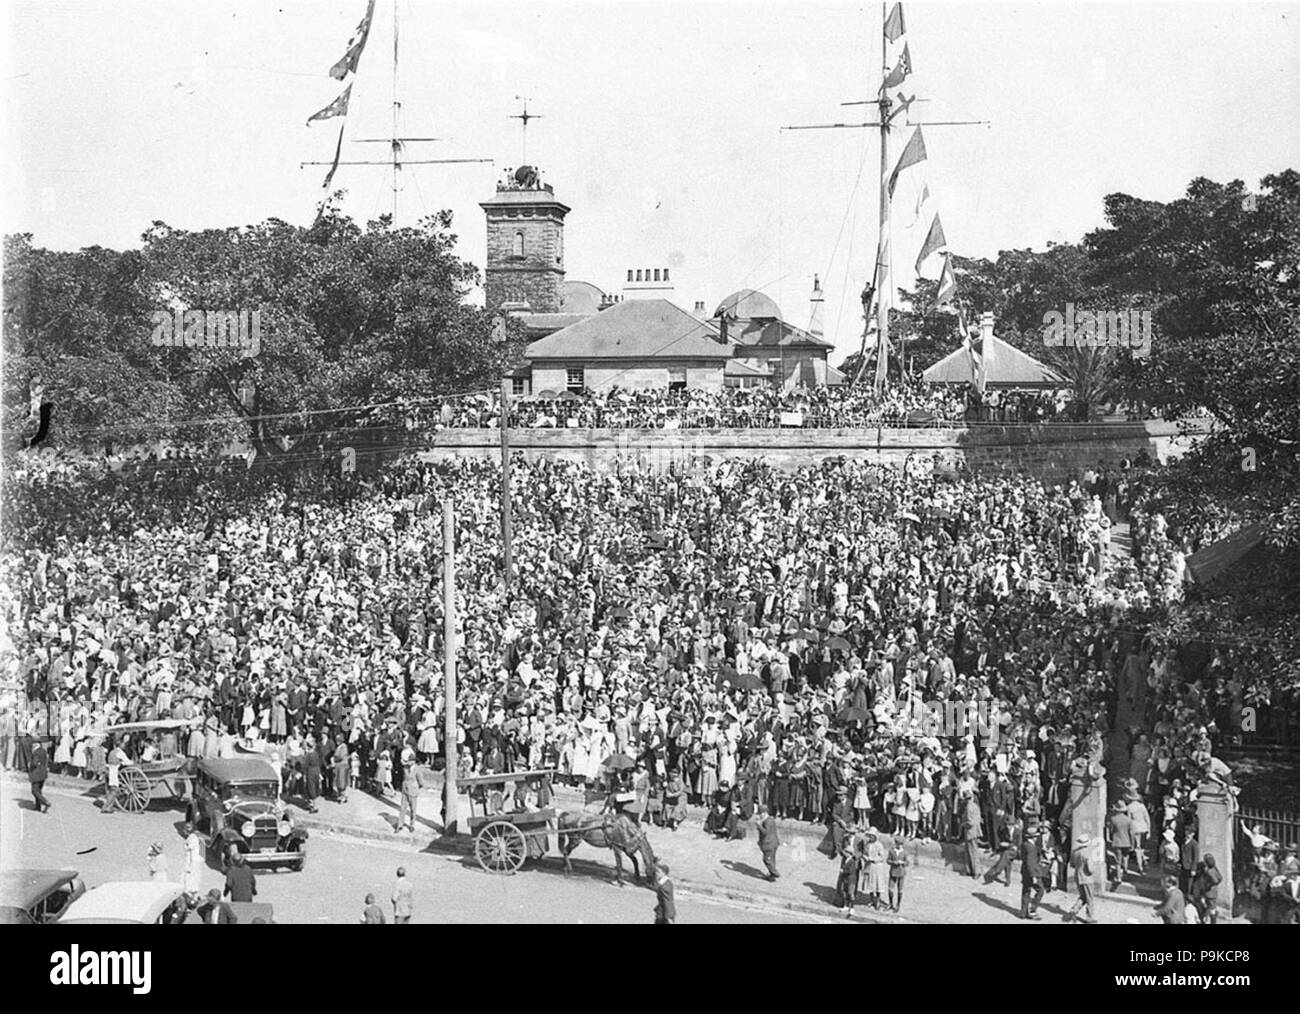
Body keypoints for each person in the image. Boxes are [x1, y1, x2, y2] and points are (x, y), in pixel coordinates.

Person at [1066, 833, 1097, 923]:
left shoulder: (1074, 852)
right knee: (1090, 898)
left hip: (1078, 876)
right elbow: (1090, 869)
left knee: (1083, 896)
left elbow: (1072, 865)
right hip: (1087, 877)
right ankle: (1089, 917)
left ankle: (1073, 910)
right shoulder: (1087, 853)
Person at [1019, 824, 1045, 920]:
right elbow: (1030, 862)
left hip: (1025, 871)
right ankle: (1032, 911)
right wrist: (1033, 876)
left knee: (1026, 891)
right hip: (1032, 872)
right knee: (1040, 890)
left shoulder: (1024, 845)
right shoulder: (1031, 848)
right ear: (1033, 837)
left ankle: (1023, 912)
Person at [1107, 799, 1134, 888]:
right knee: (1125, 857)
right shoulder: (1128, 820)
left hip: (1117, 841)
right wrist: (1132, 844)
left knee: (1117, 861)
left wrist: (1111, 838)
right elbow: (1131, 833)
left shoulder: (1113, 819)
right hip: (1127, 842)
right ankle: (1125, 870)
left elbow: (1111, 831)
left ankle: (1118, 877)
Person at [835, 831, 861, 917]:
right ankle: (845, 905)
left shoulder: (859, 841)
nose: (850, 834)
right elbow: (841, 849)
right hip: (846, 874)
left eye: (852, 833)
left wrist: (843, 871)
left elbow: (861, 852)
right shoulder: (845, 839)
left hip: (851, 875)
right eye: (849, 832)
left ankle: (851, 906)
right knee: (844, 889)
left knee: (851, 891)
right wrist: (843, 852)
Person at [1191, 854, 1221, 925]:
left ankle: (1206, 920)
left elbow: (1215, 880)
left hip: (1209, 893)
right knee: (1212, 908)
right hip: (1214, 892)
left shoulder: (1208, 871)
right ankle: (1212, 920)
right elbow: (1220, 878)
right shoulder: (1215, 868)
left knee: (1208, 908)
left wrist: (1208, 885)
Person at [756, 804, 780, 881]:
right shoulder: (769, 819)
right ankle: (771, 875)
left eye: (760, 813)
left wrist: (759, 826)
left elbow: (765, 832)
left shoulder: (768, 821)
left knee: (767, 860)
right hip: (773, 843)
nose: (759, 815)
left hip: (769, 844)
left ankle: (775, 873)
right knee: (772, 859)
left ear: (764, 813)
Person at [101, 740, 126, 813]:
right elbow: (127, 761)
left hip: (110, 771)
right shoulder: (120, 752)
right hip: (114, 772)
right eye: (123, 744)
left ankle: (109, 806)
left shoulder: (112, 752)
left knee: (112, 790)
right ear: (120, 745)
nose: (124, 746)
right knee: (114, 790)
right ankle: (105, 807)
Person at [181, 822, 204, 899]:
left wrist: (188, 866)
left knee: (189, 880)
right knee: (196, 878)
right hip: (198, 861)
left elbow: (188, 849)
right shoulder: (199, 837)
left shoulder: (192, 838)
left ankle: (189, 895)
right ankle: (193, 894)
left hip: (192, 862)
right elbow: (203, 852)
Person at [28, 738, 51, 813]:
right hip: (43, 774)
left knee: (34, 791)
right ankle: (38, 807)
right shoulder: (43, 751)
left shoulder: (36, 752)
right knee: (39, 791)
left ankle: (45, 802)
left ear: (36, 744)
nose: (32, 745)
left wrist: (30, 764)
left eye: (33, 744)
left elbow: (34, 763)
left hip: (36, 774)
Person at [887, 835, 908, 912]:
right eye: (898, 844)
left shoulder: (904, 852)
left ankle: (898, 904)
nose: (899, 846)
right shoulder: (891, 851)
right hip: (893, 872)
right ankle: (890, 904)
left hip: (901, 872)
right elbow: (888, 860)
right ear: (896, 843)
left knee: (900, 889)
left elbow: (907, 862)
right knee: (890, 889)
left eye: (901, 844)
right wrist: (893, 862)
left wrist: (902, 862)